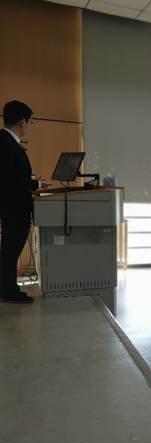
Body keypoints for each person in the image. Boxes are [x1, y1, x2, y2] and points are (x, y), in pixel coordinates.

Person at [0, 100, 48, 303]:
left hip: (13, 204)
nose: (29, 126)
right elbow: (7, 178)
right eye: (30, 121)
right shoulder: (5, 142)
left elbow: (12, 173)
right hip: (13, 206)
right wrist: (35, 184)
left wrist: (32, 180)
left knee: (10, 248)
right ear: (22, 121)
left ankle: (7, 287)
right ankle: (8, 291)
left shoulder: (8, 141)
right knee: (11, 249)